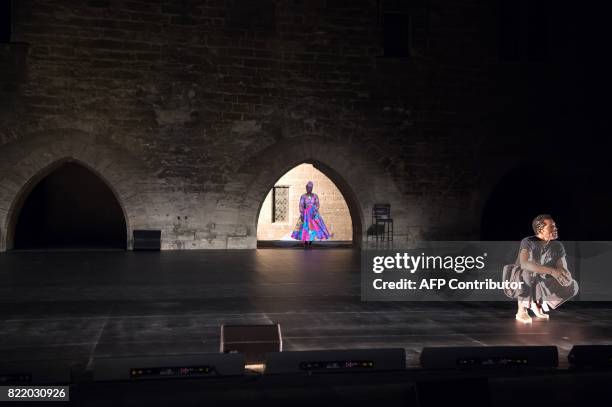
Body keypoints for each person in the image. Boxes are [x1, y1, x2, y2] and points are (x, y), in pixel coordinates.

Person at [515, 214, 579, 323]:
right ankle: (521, 310)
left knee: (573, 285)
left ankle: (537, 303)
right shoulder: (528, 241)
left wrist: (566, 275)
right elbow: (524, 263)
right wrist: (552, 271)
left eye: (555, 226)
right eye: (551, 226)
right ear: (541, 230)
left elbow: (562, 267)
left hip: (543, 280)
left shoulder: (557, 246)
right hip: (521, 278)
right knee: (528, 273)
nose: (555, 228)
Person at [291, 181, 331, 249]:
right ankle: (306, 242)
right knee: (305, 228)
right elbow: (301, 205)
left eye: (310, 187)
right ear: (306, 188)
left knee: (313, 228)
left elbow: (317, 204)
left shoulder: (315, 196)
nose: (309, 189)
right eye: (308, 187)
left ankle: (310, 242)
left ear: (312, 188)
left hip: (313, 213)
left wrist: (315, 212)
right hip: (306, 214)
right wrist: (302, 213)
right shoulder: (303, 196)